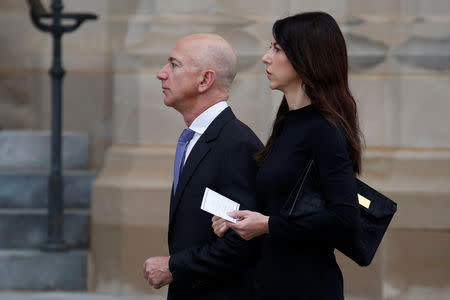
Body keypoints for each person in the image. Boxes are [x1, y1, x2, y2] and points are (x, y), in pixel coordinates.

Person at [212, 12, 363, 299]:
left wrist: (266, 225)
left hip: (306, 285)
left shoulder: (324, 129)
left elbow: (344, 219)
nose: (265, 57)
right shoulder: (288, 121)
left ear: (306, 57)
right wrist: (238, 220)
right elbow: (282, 205)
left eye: (277, 48)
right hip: (271, 279)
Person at [143, 33, 263, 300]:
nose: (161, 74)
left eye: (174, 65)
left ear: (205, 80)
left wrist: (174, 267)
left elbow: (242, 241)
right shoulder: (197, 137)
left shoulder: (237, 144)